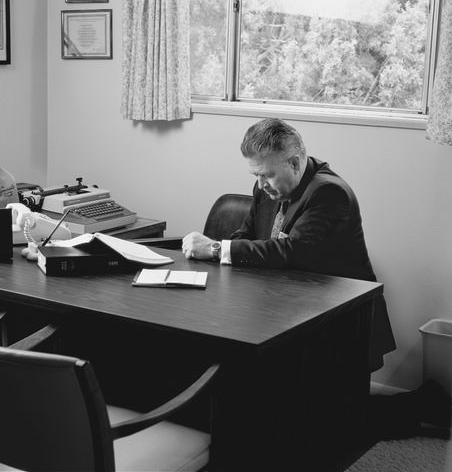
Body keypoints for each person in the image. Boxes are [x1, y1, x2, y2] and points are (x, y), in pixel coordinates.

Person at [182, 117, 450, 440]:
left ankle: (427, 405)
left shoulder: (329, 193)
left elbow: (292, 252)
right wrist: (225, 248)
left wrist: (214, 248)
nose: (261, 184)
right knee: (288, 407)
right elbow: (247, 233)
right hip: (292, 309)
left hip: (345, 320)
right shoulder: (265, 187)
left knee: (332, 425)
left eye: (266, 175)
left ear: (295, 162)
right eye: (255, 175)